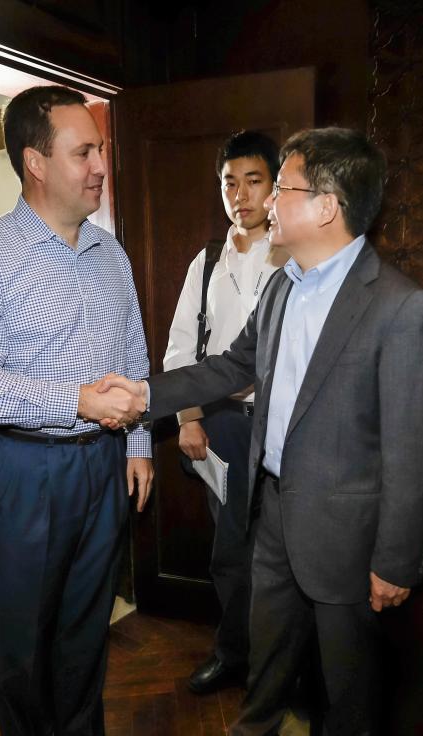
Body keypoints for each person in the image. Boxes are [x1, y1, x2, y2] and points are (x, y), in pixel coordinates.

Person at [99, 127, 423, 735]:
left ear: (326, 207)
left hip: (346, 537)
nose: (266, 201)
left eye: (282, 187)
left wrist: (396, 562)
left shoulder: (401, 309)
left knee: (346, 691)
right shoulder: (284, 284)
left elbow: (415, 453)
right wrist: (147, 396)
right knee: (267, 663)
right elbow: (231, 366)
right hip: (274, 510)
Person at [0, 85, 150, 736]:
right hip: (25, 472)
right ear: (34, 162)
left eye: (100, 149)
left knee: (88, 624)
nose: (101, 166)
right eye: (84, 152)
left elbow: (132, 351)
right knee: (27, 640)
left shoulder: (112, 254)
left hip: (105, 462)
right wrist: (72, 400)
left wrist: (135, 445)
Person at [163, 130, 288, 694]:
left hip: (281, 424)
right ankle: (234, 652)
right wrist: (188, 418)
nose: (240, 194)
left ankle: (281, 667)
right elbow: (181, 345)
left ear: (276, 186)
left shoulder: (294, 255)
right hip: (220, 425)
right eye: (229, 183)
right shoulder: (207, 259)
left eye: (253, 181)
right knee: (230, 551)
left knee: (282, 554)